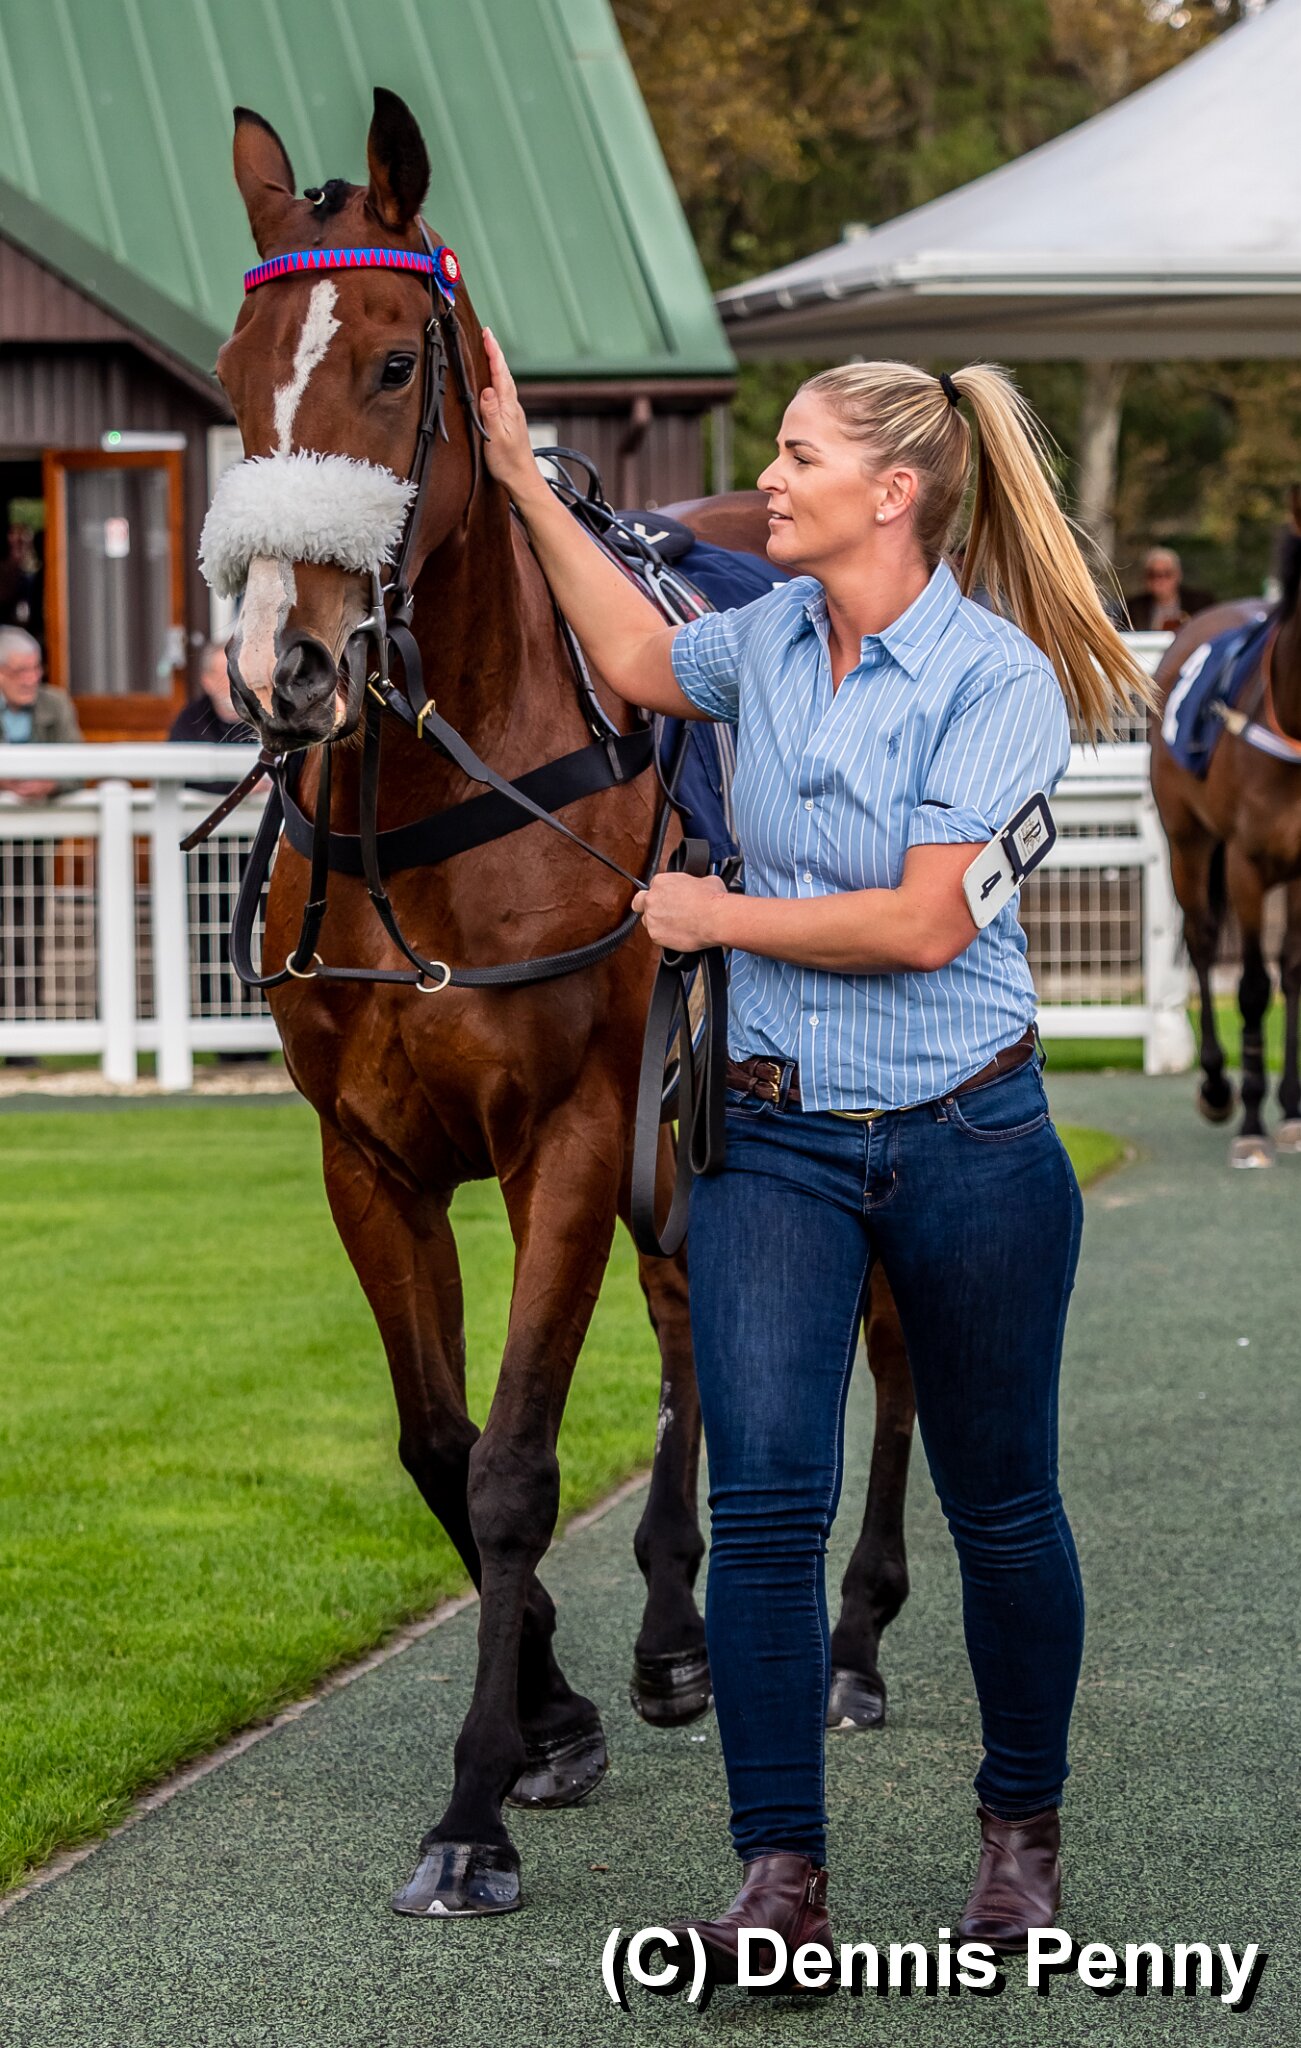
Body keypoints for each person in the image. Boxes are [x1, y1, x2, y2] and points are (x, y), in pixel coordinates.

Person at [477, 334, 1150, 1975]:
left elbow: (923, 924)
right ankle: (778, 1880)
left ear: (891, 491)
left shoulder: (995, 679)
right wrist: (513, 471)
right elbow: (633, 652)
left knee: (1002, 1507)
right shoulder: (768, 636)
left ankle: (1020, 1837)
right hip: (771, 1140)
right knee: (768, 1511)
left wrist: (713, 916)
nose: (765, 481)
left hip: (971, 1141)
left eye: (795, 456)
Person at [167, 643, 263, 1058]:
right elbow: (180, 773)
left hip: (262, 852)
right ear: (207, 680)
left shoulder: (267, 713)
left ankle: (263, 1027)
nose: (235, 682)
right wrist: (240, 786)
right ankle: (219, 1030)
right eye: (226, 673)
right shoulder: (190, 719)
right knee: (210, 937)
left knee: (265, 935)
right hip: (208, 854)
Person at [0, 627, 82, 1064]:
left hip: (30, 844)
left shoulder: (55, 703)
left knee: (26, 936)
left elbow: (77, 766)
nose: (30, 678)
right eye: (19, 671)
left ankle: (23, 1042)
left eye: (35, 669)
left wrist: (48, 783)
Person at [1124, 546, 1214, 631]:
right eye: (1152, 575)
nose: (1159, 580)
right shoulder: (1133, 608)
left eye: (1166, 574)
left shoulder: (1200, 603)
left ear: (1178, 575)